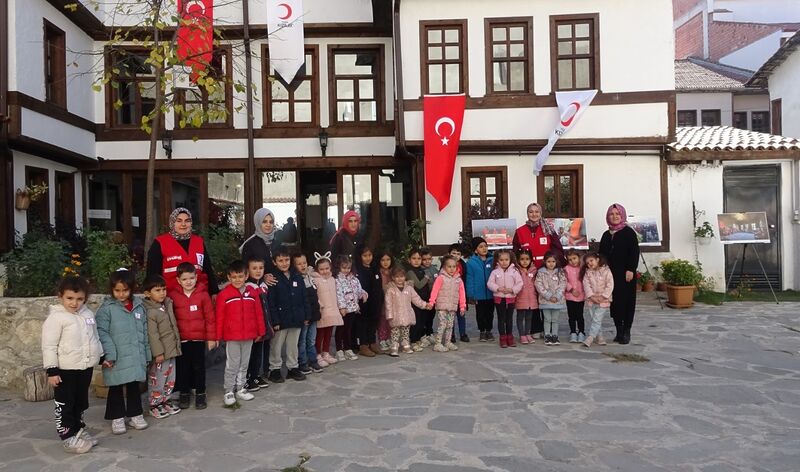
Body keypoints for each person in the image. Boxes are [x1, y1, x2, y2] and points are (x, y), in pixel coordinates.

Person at [41, 276, 103, 454]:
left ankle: (78, 430)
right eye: (69, 298)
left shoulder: (88, 314)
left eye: (79, 299)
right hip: (65, 370)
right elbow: (49, 346)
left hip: (84, 368)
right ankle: (67, 436)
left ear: (85, 298)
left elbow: (94, 337)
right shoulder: (56, 318)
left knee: (80, 402)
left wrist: (100, 354)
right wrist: (52, 370)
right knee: (65, 403)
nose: (74, 303)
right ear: (60, 296)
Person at [96, 269, 150, 435]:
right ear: (111, 289)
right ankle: (117, 417)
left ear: (132, 289)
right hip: (116, 357)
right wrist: (109, 354)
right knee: (116, 387)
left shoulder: (139, 307)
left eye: (125, 290)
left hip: (134, 356)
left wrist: (147, 354)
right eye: (117, 290)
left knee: (134, 386)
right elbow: (101, 332)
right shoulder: (106, 309)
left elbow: (145, 332)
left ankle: (135, 414)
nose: (121, 294)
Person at [216, 260, 267, 406]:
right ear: (229, 277)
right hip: (232, 337)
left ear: (246, 276)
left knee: (244, 363)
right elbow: (219, 317)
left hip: (249, 335)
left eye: (240, 276)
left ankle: (241, 388)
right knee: (232, 364)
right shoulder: (224, 295)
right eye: (234, 277)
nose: (237, 279)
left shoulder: (253, 293)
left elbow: (258, 313)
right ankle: (229, 391)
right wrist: (218, 336)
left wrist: (260, 331)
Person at [512, 202, 564, 339]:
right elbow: (515, 251)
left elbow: (557, 248)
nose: (534, 214)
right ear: (527, 214)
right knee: (531, 299)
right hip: (527, 270)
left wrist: (553, 263)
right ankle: (535, 327)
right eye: (531, 212)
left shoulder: (548, 229)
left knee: (545, 296)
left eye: (536, 211)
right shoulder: (520, 231)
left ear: (541, 213)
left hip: (546, 270)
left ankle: (548, 328)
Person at [170, 262, 216, 410]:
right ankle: (184, 393)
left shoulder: (203, 295)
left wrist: (211, 338)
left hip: (198, 339)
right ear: (178, 280)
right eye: (184, 279)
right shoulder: (173, 297)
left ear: (196, 277)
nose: (188, 282)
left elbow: (210, 319)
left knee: (199, 367)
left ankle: (201, 393)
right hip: (182, 339)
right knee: (183, 368)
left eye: (191, 278)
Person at [146, 207, 219, 297]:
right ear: (172, 222)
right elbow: (152, 275)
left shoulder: (198, 241)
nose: (183, 224)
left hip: (199, 298)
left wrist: (214, 292)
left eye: (187, 221)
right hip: (171, 299)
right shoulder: (160, 243)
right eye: (179, 221)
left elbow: (208, 270)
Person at [267, 249, 311, 383]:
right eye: (280, 260)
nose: (284, 263)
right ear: (274, 262)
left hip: (296, 317)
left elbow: (304, 297)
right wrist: (275, 320)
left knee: (293, 345)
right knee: (277, 345)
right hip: (281, 319)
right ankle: (274, 369)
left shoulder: (297, 276)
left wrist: (306, 315)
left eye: (286, 260)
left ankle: (293, 368)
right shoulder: (273, 279)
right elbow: (271, 302)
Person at [599, 203, 640, 344]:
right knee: (615, 302)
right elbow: (602, 255)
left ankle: (627, 331)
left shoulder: (629, 232)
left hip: (625, 274)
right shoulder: (606, 235)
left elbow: (634, 252)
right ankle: (619, 330)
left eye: (617, 214)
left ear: (622, 215)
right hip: (610, 275)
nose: (615, 216)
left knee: (627, 301)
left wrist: (631, 269)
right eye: (612, 214)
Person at [142, 274, 182, 419]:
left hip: (171, 350)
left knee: (170, 378)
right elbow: (153, 335)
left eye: (164, 289)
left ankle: (166, 400)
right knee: (157, 379)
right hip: (160, 354)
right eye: (157, 290)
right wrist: (158, 353)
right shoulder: (150, 311)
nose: (162, 293)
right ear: (147, 293)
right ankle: (155, 404)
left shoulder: (166, 305)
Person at [384, 267, 432, 357]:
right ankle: (394, 346)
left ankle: (405, 344)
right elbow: (388, 303)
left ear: (405, 277)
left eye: (401, 276)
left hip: (407, 314)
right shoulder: (391, 290)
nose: (399, 279)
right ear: (393, 277)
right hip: (395, 315)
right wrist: (389, 315)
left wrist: (425, 305)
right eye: (397, 277)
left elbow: (416, 299)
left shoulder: (409, 288)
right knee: (395, 332)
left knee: (406, 331)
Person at [244, 257, 273, 392]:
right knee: (251, 353)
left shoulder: (263, 286)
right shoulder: (248, 288)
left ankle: (256, 375)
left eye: (260, 268)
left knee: (259, 353)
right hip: (254, 327)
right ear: (248, 271)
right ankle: (249, 377)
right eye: (254, 268)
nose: (258, 271)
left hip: (264, 326)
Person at [428, 255, 466, 352]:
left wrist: (462, 306)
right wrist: (432, 302)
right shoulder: (441, 278)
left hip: (452, 306)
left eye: (454, 266)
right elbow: (435, 290)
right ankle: (438, 343)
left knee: (450, 325)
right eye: (449, 266)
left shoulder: (458, 279)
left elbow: (462, 294)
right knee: (442, 324)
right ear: (444, 267)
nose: (452, 269)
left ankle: (448, 342)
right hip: (442, 306)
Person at [293, 253, 323, 374]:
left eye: (304, 263)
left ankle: (313, 360)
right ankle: (303, 362)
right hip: (305, 316)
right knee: (302, 340)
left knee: (311, 340)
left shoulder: (310, 277)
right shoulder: (297, 279)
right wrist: (305, 316)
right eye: (299, 264)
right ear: (294, 266)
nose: (302, 266)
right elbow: (301, 300)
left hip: (314, 315)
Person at [487, 249, 523, 348]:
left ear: (510, 260)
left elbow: (520, 283)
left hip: (510, 298)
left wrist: (512, 290)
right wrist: (498, 288)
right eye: (501, 260)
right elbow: (490, 283)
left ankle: (510, 337)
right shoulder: (495, 272)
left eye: (506, 259)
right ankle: (502, 337)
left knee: (509, 318)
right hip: (499, 298)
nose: (504, 262)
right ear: (498, 260)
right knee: (501, 318)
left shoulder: (514, 271)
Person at [335, 255, 367, 361]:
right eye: (344, 267)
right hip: (343, 310)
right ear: (339, 267)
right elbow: (338, 294)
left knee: (348, 329)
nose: (346, 270)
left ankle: (348, 348)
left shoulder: (354, 279)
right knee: (340, 330)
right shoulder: (337, 280)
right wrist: (342, 307)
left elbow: (359, 290)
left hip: (353, 309)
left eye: (348, 268)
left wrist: (363, 294)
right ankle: (339, 350)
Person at [354, 245, 383, 357]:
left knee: (373, 322)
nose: (368, 258)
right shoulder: (358, 270)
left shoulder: (375, 268)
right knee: (363, 324)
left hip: (375, 302)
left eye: (369, 255)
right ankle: (363, 345)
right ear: (360, 256)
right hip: (364, 303)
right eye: (365, 256)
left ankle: (372, 342)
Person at [311, 253, 340, 366]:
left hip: (332, 310)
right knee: (320, 334)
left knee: (328, 333)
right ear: (317, 269)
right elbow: (314, 295)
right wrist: (319, 304)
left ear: (330, 267)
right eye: (321, 269)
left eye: (327, 268)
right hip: (322, 311)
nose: (325, 271)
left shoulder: (333, 279)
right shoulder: (315, 280)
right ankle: (318, 354)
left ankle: (326, 352)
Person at [582, 252, 614, 348]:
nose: (590, 264)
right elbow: (586, 285)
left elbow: (610, 284)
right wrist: (591, 296)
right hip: (592, 300)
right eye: (587, 263)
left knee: (597, 319)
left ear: (597, 259)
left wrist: (603, 296)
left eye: (591, 261)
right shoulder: (587, 273)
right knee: (594, 319)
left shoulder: (606, 271)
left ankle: (591, 337)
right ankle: (600, 337)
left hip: (603, 300)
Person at [466, 237, 495, 342]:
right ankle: (482, 331)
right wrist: (471, 294)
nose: (484, 248)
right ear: (475, 250)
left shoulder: (493, 260)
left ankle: (489, 331)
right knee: (480, 314)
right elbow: (469, 279)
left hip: (491, 293)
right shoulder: (471, 263)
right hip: (479, 294)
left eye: (485, 246)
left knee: (490, 313)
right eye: (481, 247)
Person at [535, 252, 567, 346]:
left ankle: (555, 335)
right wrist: (548, 295)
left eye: (553, 261)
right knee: (547, 319)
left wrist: (557, 296)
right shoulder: (541, 272)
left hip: (557, 300)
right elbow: (538, 285)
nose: (551, 263)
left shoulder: (560, 272)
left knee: (555, 319)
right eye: (549, 261)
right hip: (545, 300)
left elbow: (563, 284)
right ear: (544, 262)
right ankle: (547, 335)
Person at [240, 208, 281, 281]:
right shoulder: (250, 245)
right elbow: (245, 270)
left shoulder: (277, 243)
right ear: (258, 222)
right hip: (258, 287)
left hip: (278, 283)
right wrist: (262, 278)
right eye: (264, 222)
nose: (268, 225)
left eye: (271, 222)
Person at [406, 249, 433, 350]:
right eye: (414, 258)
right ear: (409, 260)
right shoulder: (410, 271)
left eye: (419, 258)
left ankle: (418, 339)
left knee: (422, 321)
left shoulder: (421, 270)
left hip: (423, 301)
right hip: (414, 302)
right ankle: (413, 341)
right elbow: (419, 284)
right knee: (415, 322)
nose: (416, 261)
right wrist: (426, 278)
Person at [447, 243, 470, 343]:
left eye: (458, 253)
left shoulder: (463, 265)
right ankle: (451, 335)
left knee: (461, 315)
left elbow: (466, 280)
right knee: (450, 316)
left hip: (460, 294)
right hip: (449, 295)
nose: (456, 255)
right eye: (453, 253)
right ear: (449, 254)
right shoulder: (445, 265)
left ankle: (463, 333)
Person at [515, 250, 538, 345]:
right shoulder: (516, 270)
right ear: (518, 260)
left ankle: (528, 333)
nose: (525, 261)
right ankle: (522, 335)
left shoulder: (534, 270)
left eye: (527, 259)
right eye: (522, 259)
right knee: (520, 317)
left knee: (529, 317)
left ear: (531, 260)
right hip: (521, 297)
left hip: (531, 298)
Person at [564, 249, 587, 344]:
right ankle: (573, 332)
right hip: (570, 296)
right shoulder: (566, 269)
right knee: (571, 316)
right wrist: (571, 289)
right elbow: (564, 281)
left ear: (579, 258)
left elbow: (586, 280)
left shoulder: (583, 268)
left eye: (574, 258)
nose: (573, 261)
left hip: (581, 296)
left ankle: (581, 332)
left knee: (580, 315)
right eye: (570, 259)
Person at [376, 250, 395, 350]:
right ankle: (382, 339)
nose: (385, 262)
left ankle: (389, 338)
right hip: (382, 300)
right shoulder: (378, 273)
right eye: (383, 260)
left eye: (388, 259)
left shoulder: (394, 273)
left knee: (390, 320)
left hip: (393, 301)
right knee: (382, 320)